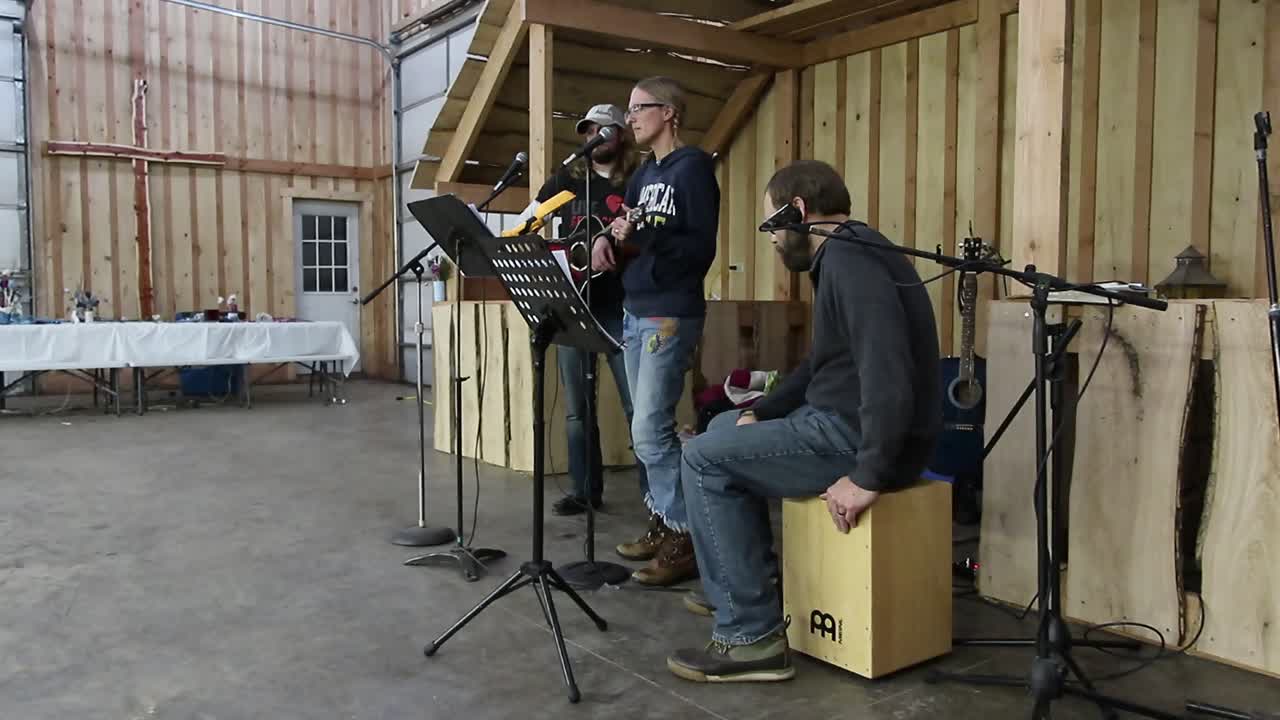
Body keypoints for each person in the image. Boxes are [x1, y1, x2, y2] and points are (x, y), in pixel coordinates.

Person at [665, 160, 942, 683]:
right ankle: (751, 586)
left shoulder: (849, 260)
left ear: (798, 211)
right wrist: (759, 411)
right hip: (842, 422)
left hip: (854, 437)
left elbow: (887, 365)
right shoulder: (854, 251)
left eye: (773, 226)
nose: (772, 242)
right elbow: (824, 361)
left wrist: (868, 475)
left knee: (701, 460)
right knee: (721, 430)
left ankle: (750, 637)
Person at [593, 77, 719, 586]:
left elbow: (698, 249)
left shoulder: (693, 169)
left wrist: (644, 234)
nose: (630, 119)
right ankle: (666, 519)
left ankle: (688, 531)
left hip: (669, 310)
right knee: (648, 429)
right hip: (634, 307)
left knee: (649, 430)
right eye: (628, 110)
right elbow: (635, 232)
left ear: (669, 112)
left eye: (639, 109)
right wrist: (610, 239)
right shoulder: (644, 174)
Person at [532, 104, 642, 516]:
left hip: (621, 305)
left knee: (637, 407)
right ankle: (585, 490)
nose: (594, 135)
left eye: (603, 129)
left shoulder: (636, 182)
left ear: (620, 134)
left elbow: (646, 231)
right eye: (588, 129)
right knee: (578, 409)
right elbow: (533, 217)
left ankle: (654, 500)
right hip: (572, 305)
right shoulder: (567, 179)